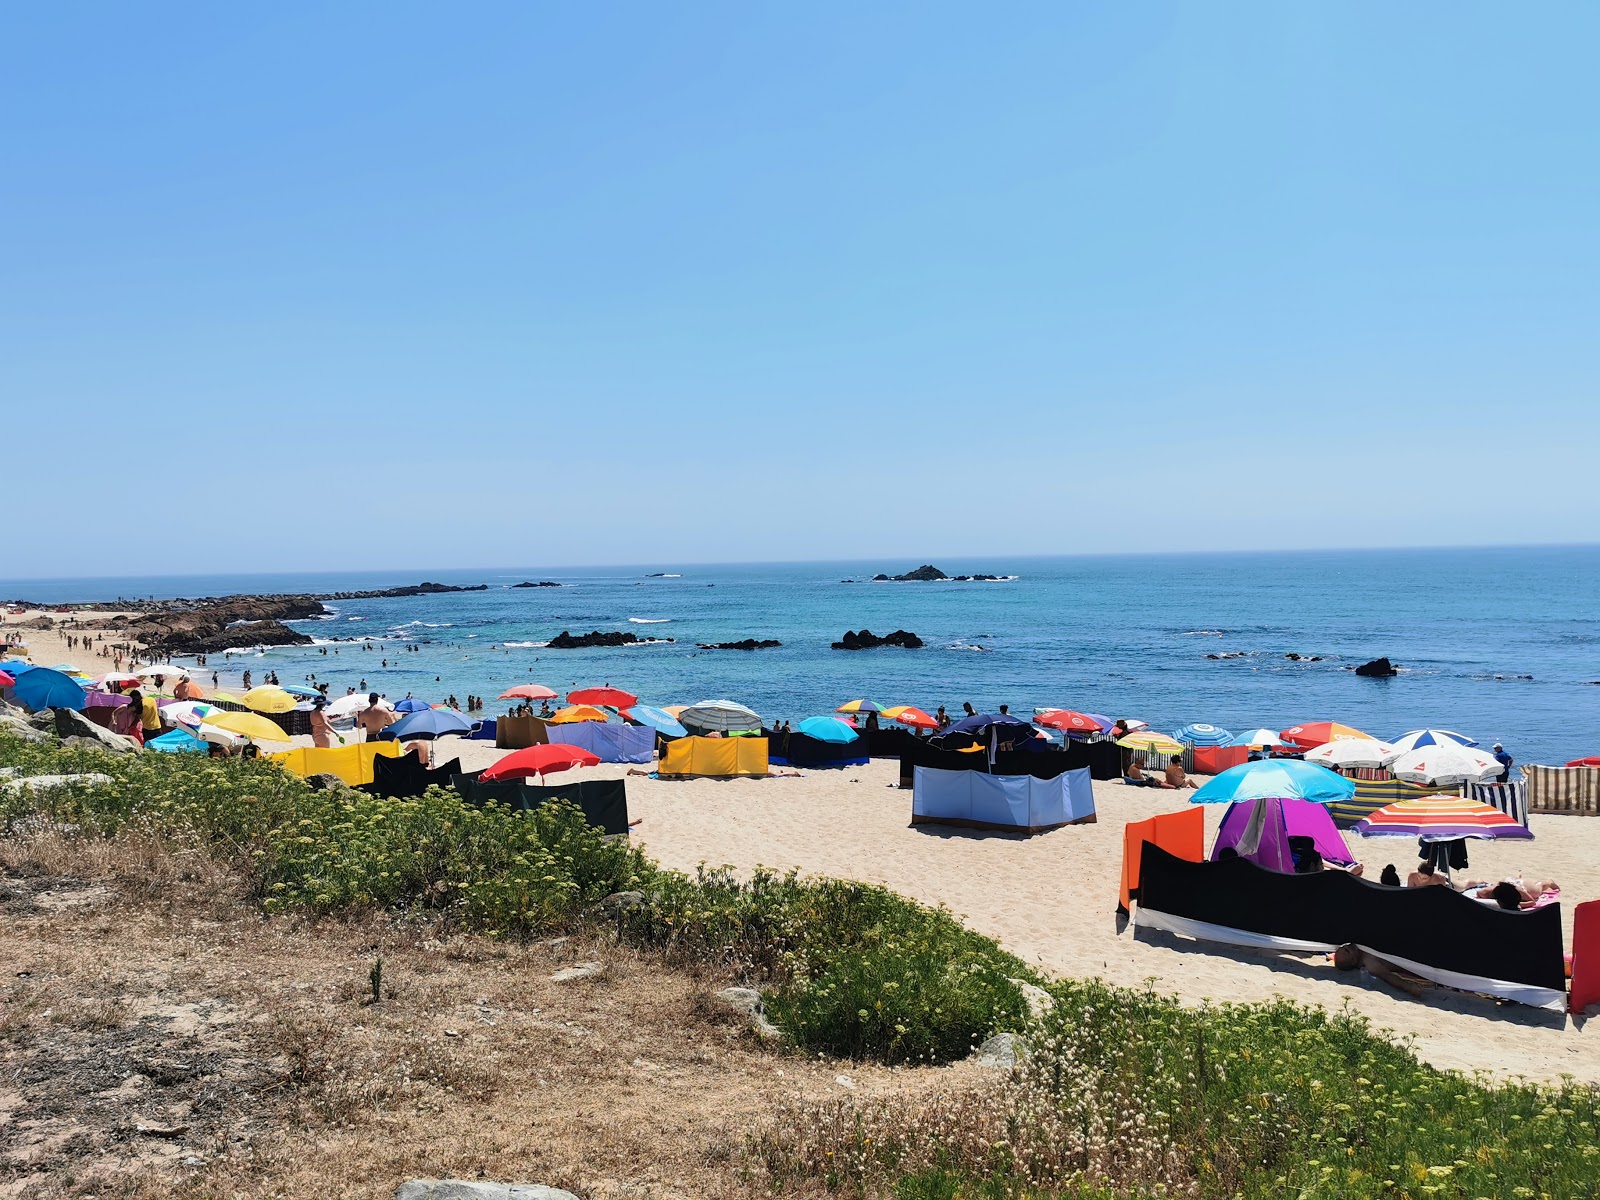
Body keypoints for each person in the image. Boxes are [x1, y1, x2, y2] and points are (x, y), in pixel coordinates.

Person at [1333, 943, 1433, 998]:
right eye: (1347, 950)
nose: (1347, 946)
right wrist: (1409, 987)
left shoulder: (1360, 948)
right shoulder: (1369, 963)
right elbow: (1387, 976)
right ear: (1353, 961)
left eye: (1343, 946)